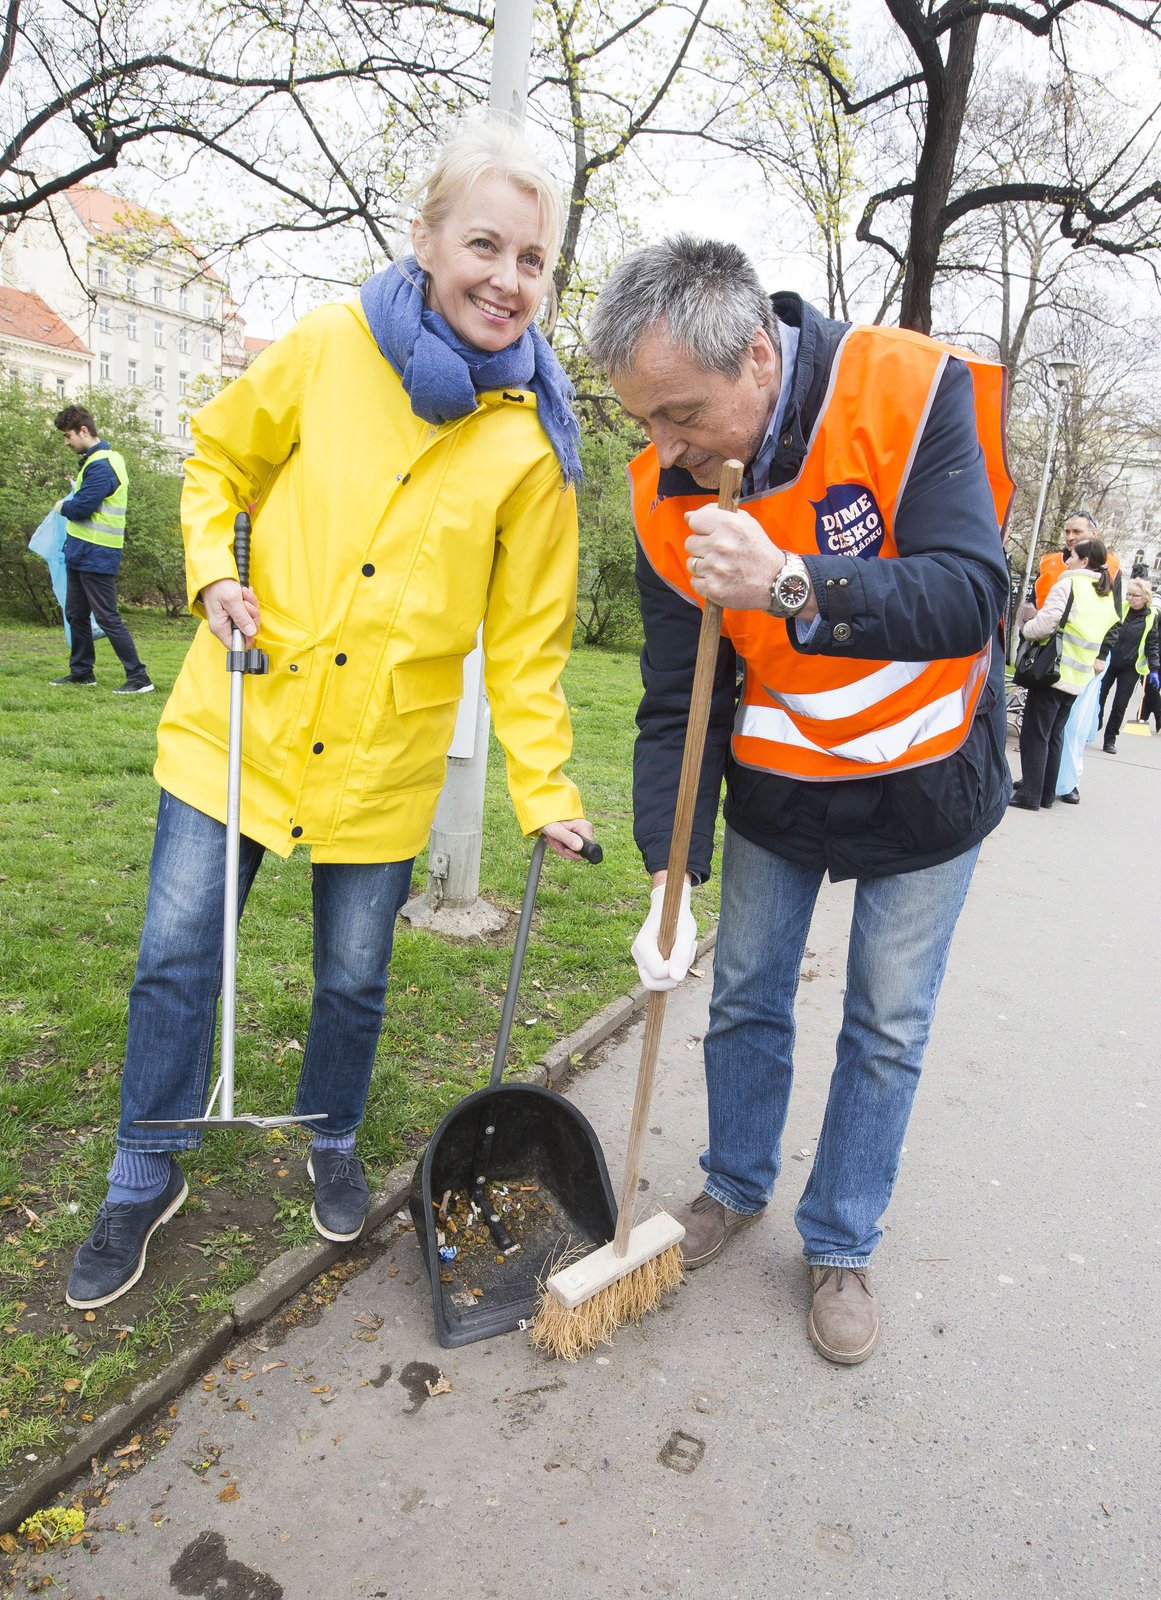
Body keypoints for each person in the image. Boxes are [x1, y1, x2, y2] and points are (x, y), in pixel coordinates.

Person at [65, 120, 594, 1311]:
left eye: (532, 260)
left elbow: (526, 643)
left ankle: (331, 1134)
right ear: (424, 240)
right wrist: (212, 573)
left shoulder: (532, 446)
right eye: (483, 245)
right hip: (241, 723)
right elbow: (216, 458)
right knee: (174, 961)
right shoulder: (329, 343)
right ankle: (145, 1167)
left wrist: (546, 789)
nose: (507, 278)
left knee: (355, 980)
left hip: (381, 758)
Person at [586, 235, 1013, 1365]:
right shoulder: (663, 491)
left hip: (926, 780)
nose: (666, 446)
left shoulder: (908, 391)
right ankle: (733, 1184)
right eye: (647, 421)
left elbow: (969, 594)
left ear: (759, 364)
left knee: (885, 1022)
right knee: (744, 1001)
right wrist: (668, 876)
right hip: (782, 784)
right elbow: (680, 699)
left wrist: (790, 582)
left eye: (681, 413)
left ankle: (842, 1239)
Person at [49, 406, 154, 694]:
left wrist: (62, 506)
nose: (66, 442)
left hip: (96, 553)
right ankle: (82, 673)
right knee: (76, 614)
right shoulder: (95, 461)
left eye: (68, 436)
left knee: (107, 617)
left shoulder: (102, 464)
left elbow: (83, 507)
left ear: (84, 431)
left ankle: (139, 677)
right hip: (81, 551)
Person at [1009, 537, 1118, 811]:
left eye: (1071, 555)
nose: (1066, 559)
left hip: (1052, 670)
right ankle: (1046, 794)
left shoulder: (1070, 583)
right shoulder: (1103, 592)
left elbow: (1047, 623)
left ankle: (1030, 795)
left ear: (1083, 560)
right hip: (1078, 674)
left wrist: (1026, 628)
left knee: (1035, 734)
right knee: (1055, 734)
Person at [1096, 576, 1160, 753]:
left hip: (1130, 668)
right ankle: (1095, 723)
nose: (1130, 598)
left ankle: (1110, 740)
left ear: (1145, 597)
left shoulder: (1150, 617)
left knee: (1119, 705)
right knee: (1098, 698)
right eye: (1129, 594)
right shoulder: (1121, 608)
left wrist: (1154, 669)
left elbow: (1152, 643)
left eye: (1135, 595)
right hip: (1109, 661)